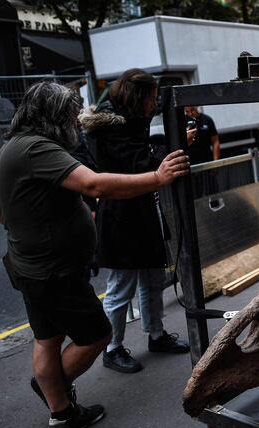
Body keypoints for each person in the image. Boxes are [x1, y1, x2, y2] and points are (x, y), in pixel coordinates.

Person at [0, 81, 190, 428]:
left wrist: (12, 222)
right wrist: (157, 177)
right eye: (71, 113)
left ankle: (61, 413)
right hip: (54, 272)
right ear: (53, 116)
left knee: (48, 339)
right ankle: (54, 391)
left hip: (32, 266)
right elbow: (94, 186)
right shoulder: (38, 147)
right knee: (96, 336)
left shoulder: (15, 146)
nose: (76, 118)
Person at [80, 68, 195, 373]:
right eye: (153, 98)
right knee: (121, 287)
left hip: (143, 210)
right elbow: (138, 161)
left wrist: (172, 144)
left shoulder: (129, 122)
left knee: (153, 279)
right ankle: (112, 347)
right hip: (120, 217)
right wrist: (173, 147)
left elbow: (144, 154)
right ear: (139, 97)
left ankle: (156, 335)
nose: (155, 104)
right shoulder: (112, 128)